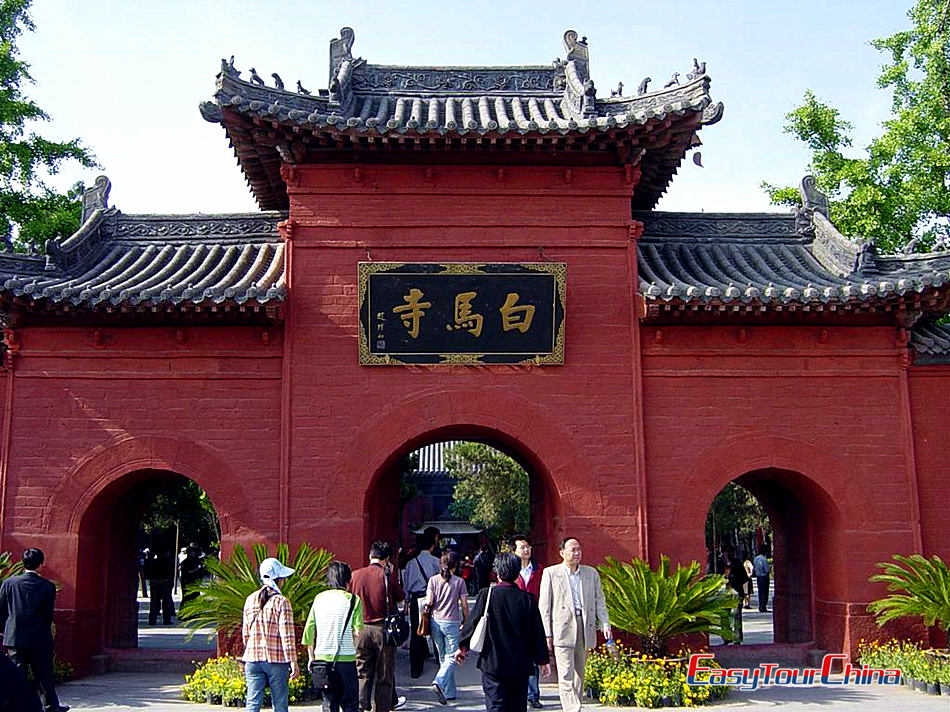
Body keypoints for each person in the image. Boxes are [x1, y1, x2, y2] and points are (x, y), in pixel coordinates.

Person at [455, 552, 550, 712]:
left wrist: (463, 648)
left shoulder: (487, 595)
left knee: (495, 705)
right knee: (517, 705)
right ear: (517, 572)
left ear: (497, 572)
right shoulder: (527, 599)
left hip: (493, 662)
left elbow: (472, 623)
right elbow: (537, 632)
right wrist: (542, 660)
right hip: (520, 663)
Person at [538, 537, 611, 712]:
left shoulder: (590, 573)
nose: (576, 553)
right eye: (572, 549)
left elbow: (599, 600)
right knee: (565, 672)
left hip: (585, 626)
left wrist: (605, 622)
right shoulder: (551, 573)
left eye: (578, 549)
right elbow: (544, 606)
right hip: (562, 627)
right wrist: (547, 633)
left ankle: (574, 704)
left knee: (580, 671)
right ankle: (573, 708)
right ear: (562, 552)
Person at [0, 548, 69, 712]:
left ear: (23, 563)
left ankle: (14, 706)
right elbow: (47, 615)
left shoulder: (9, 584)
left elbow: (1, 609)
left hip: (15, 637)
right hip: (39, 637)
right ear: (40, 565)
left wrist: (5, 629)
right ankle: (51, 706)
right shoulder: (47, 587)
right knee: (44, 675)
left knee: (17, 674)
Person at [350, 541, 404, 712]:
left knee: (362, 672)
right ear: (387, 559)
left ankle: (361, 706)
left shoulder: (354, 575)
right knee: (384, 675)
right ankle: (381, 708)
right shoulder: (387, 576)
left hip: (360, 629)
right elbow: (401, 598)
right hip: (382, 630)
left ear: (370, 556)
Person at [303, 562, 363, 712]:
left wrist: (311, 656)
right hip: (346, 660)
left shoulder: (319, 598)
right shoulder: (354, 600)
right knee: (350, 704)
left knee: (329, 703)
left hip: (322, 659)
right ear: (347, 581)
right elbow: (358, 632)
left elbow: (309, 630)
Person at [241, 557, 300, 712]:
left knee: (252, 703)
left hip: (252, 658)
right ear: (279, 579)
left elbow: (245, 633)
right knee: (280, 704)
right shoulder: (282, 602)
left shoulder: (250, 599)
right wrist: (293, 662)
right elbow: (287, 635)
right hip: (276, 660)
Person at [425, 551, 469, 705]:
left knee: (444, 658)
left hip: (435, 621)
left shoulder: (433, 580)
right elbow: (464, 605)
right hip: (452, 622)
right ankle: (438, 681)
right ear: (455, 565)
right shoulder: (459, 582)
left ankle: (449, 692)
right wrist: (466, 620)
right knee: (452, 657)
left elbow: (429, 601)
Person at [402, 526, 440, 678]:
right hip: (431, 599)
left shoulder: (411, 563)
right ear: (432, 545)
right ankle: (440, 658)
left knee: (416, 633)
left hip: (415, 600)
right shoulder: (436, 562)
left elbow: (406, 585)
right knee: (436, 630)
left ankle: (415, 668)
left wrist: (406, 601)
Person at [511, 534, 544, 709]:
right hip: (515, 620)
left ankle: (533, 694)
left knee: (532, 657)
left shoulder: (539, 570)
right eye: (522, 547)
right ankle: (519, 693)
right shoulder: (510, 571)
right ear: (514, 551)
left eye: (528, 546)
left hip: (534, 617)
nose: (526, 549)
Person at [144, 546, 175, 625]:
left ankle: (152, 620)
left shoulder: (153, 561)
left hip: (155, 582)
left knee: (154, 602)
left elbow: (148, 571)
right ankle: (166, 620)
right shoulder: (167, 562)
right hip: (164, 582)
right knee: (166, 602)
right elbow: (170, 573)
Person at [725, 549, 750, 644]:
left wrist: (745, 593)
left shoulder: (737, 563)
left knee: (736, 615)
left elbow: (744, 578)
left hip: (736, 591)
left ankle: (737, 638)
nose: (728, 554)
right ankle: (726, 637)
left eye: (729, 552)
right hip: (724, 592)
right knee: (724, 615)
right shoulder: (719, 563)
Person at [178, 543, 206, 608]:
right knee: (187, 598)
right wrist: (197, 568)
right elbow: (188, 572)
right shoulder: (186, 562)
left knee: (195, 597)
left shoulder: (196, 560)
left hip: (195, 582)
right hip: (188, 582)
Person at [753, 544, 771, 613]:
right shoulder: (764, 559)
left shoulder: (756, 558)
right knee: (765, 592)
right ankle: (763, 606)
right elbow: (766, 570)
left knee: (760, 592)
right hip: (764, 576)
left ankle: (761, 605)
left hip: (758, 576)